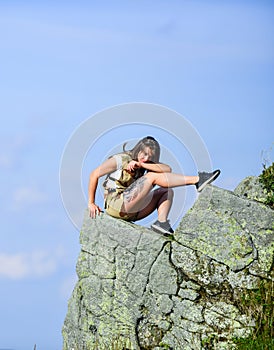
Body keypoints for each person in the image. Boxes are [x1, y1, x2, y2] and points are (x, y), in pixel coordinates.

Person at [88, 136, 220, 235]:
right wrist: (91, 203)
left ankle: (161, 224)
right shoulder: (120, 159)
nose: (146, 158)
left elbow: (167, 169)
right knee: (151, 177)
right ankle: (198, 180)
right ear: (138, 150)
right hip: (116, 205)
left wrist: (142, 165)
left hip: (134, 212)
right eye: (144, 154)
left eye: (149, 157)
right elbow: (94, 174)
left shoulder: (144, 164)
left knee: (166, 191)